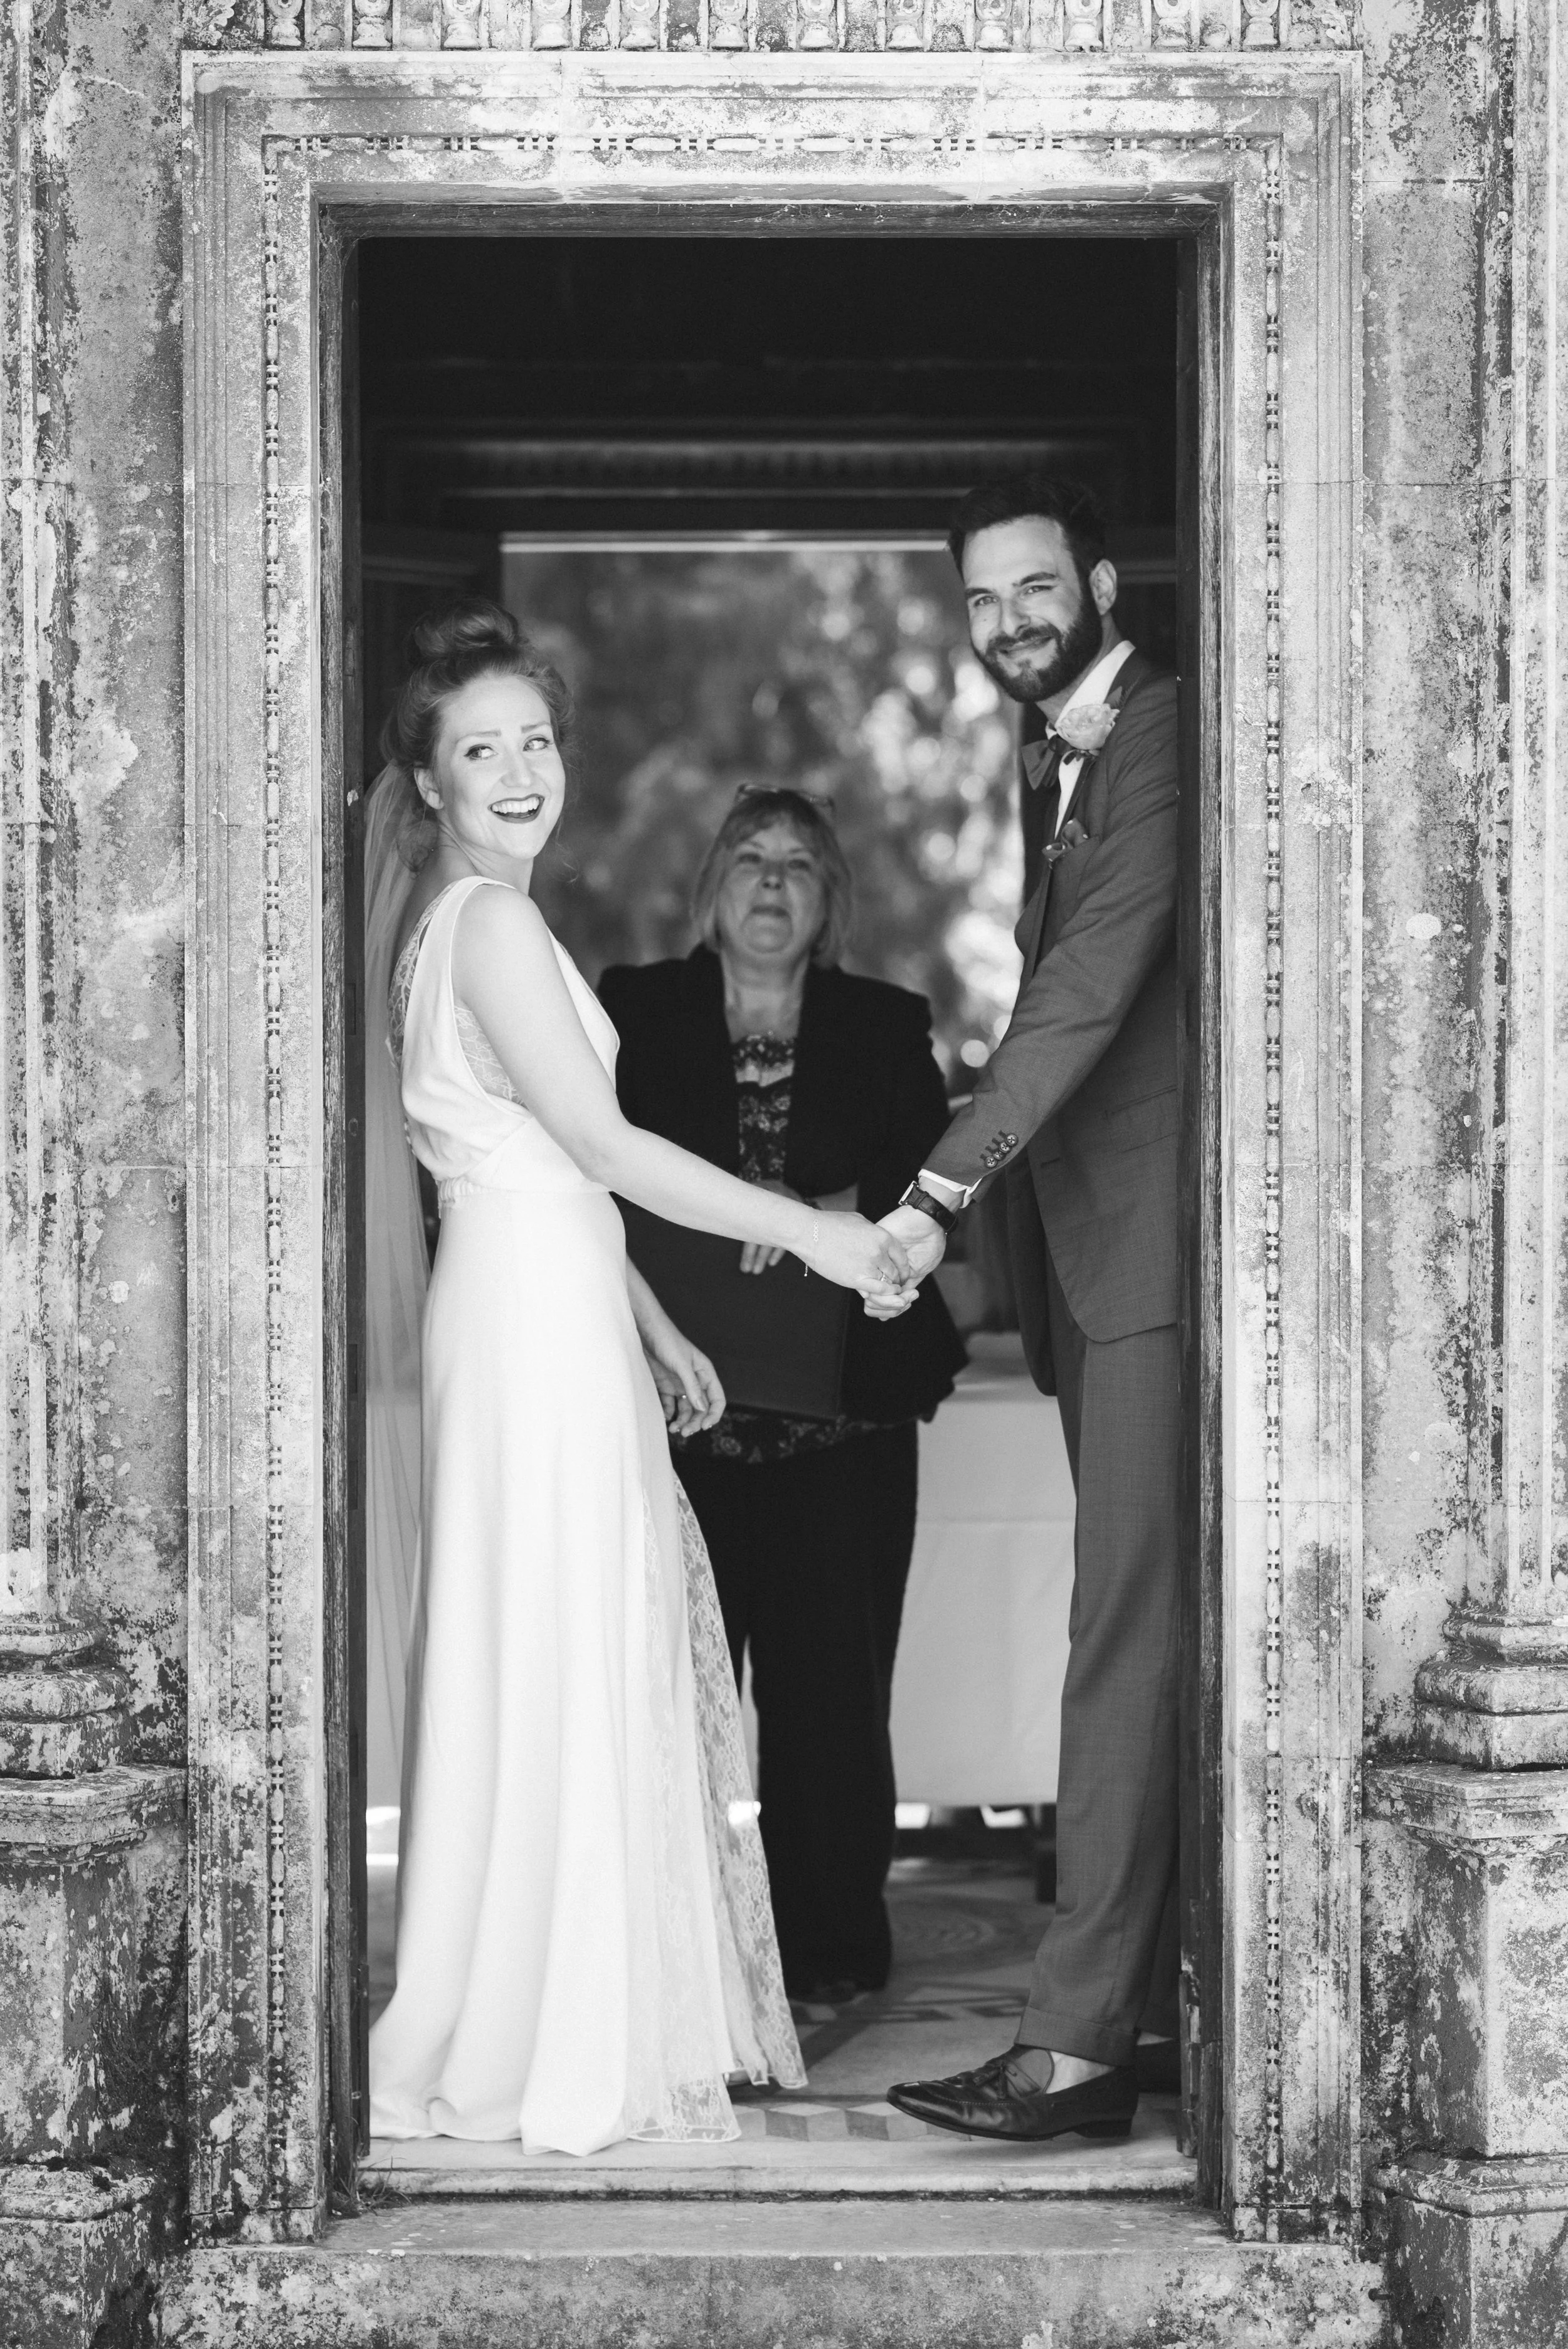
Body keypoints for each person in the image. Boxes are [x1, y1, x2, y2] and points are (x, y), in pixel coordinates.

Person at [362, 602, 913, 2156]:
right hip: (527, 1320)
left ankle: (533, 1999)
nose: (520, 770)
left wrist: (652, 1326)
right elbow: (601, 1149)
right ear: (431, 781)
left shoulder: (465, 927)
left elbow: (542, 1169)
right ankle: (550, 2033)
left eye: (533, 739)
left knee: (546, 1636)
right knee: (561, 1640)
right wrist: (816, 1236)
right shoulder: (488, 925)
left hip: (540, 1291)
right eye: (481, 750)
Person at [879, 475, 1183, 2145]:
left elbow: (1087, 988)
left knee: (1120, 1637)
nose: (1008, 618)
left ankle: (1074, 2052)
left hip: (1149, 1252)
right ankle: (1164, 1998)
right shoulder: (1043, 750)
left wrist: (938, 1189)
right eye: (983, 599)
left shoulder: (1161, 731)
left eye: (1034, 587)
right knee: (1132, 1627)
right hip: (1081, 1253)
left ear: (1102, 579)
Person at [601, 788, 966, 2002]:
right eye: (750, 861)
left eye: (799, 867)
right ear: (712, 887)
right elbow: (593, 1179)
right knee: (674, 1697)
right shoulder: (634, 1009)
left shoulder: (883, 1021)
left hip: (843, 1420)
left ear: (829, 903)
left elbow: (934, 1189)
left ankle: (829, 1954)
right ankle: (682, 1959)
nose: (771, 884)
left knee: (830, 1709)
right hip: (675, 1413)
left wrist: (824, 1220)